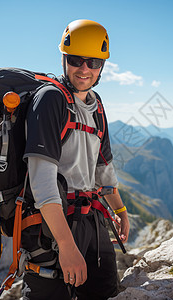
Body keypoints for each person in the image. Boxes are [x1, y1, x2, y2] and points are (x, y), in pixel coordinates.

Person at [22, 19, 130, 300]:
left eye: (93, 62)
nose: (84, 69)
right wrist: (66, 246)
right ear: (63, 58)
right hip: (50, 227)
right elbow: (43, 183)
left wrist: (120, 211)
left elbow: (103, 168)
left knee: (105, 293)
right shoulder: (49, 100)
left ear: (102, 65)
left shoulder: (97, 105)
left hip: (91, 219)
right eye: (76, 60)